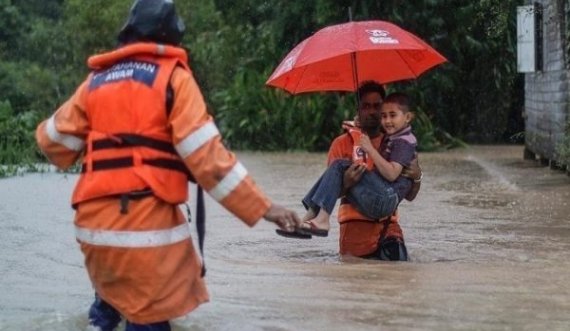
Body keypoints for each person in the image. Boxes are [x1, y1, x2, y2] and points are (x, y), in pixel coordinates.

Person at [35, 1, 301, 330]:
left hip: (93, 232)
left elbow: (53, 144)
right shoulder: (173, 79)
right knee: (148, 319)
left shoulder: (94, 83)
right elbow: (209, 162)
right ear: (172, 38)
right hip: (146, 232)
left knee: (108, 309)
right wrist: (265, 208)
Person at [279, 81, 422, 260]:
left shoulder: (394, 141)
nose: (372, 112)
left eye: (377, 106)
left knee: (394, 283)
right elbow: (330, 191)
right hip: (353, 238)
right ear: (358, 110)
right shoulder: (342, 143)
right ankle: (309, 220)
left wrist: (417, 177)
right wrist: (346, 183)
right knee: (351, 286)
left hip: (388, 232)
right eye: (366, 106)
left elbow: (409, 194)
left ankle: (313, 219)